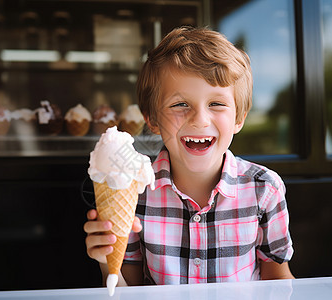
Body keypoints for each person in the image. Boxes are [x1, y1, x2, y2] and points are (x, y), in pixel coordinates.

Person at [84, 26, 294, 286]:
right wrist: (107, 263)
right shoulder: (134, 190)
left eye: (216, 104)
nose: (200, 120)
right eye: (180, 104)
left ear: (239, 117)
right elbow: (130, 291)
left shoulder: (264, 189)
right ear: (152, 118)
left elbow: (279, 284)